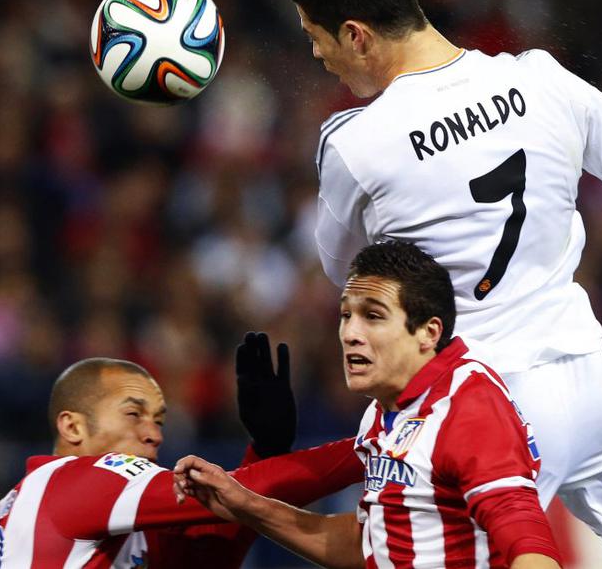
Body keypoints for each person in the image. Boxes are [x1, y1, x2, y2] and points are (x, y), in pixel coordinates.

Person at [273, 0, 602, 569]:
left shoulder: (355, 143)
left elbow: (347, 272)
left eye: (315, 36)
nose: (316, 53)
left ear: (356, 35)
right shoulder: (542, 78)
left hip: (479, 407)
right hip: (585, 376)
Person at [175, 241, 563, 569]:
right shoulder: (387, 408)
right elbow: (374, 542)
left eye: (373, 316)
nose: (350, 333)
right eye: (346, 315)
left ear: (428, 332)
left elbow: (531, 548)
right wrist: (248, 505)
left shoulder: (468, 406)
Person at [0, 344, 364, 568]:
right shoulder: (79, 481)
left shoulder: (29, 509)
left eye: (159, 420)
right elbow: (235, 492)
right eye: (133, 414)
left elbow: (206, 559)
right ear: (73, 428)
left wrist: (264, 450)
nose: (154, 434)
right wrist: (377, 444)